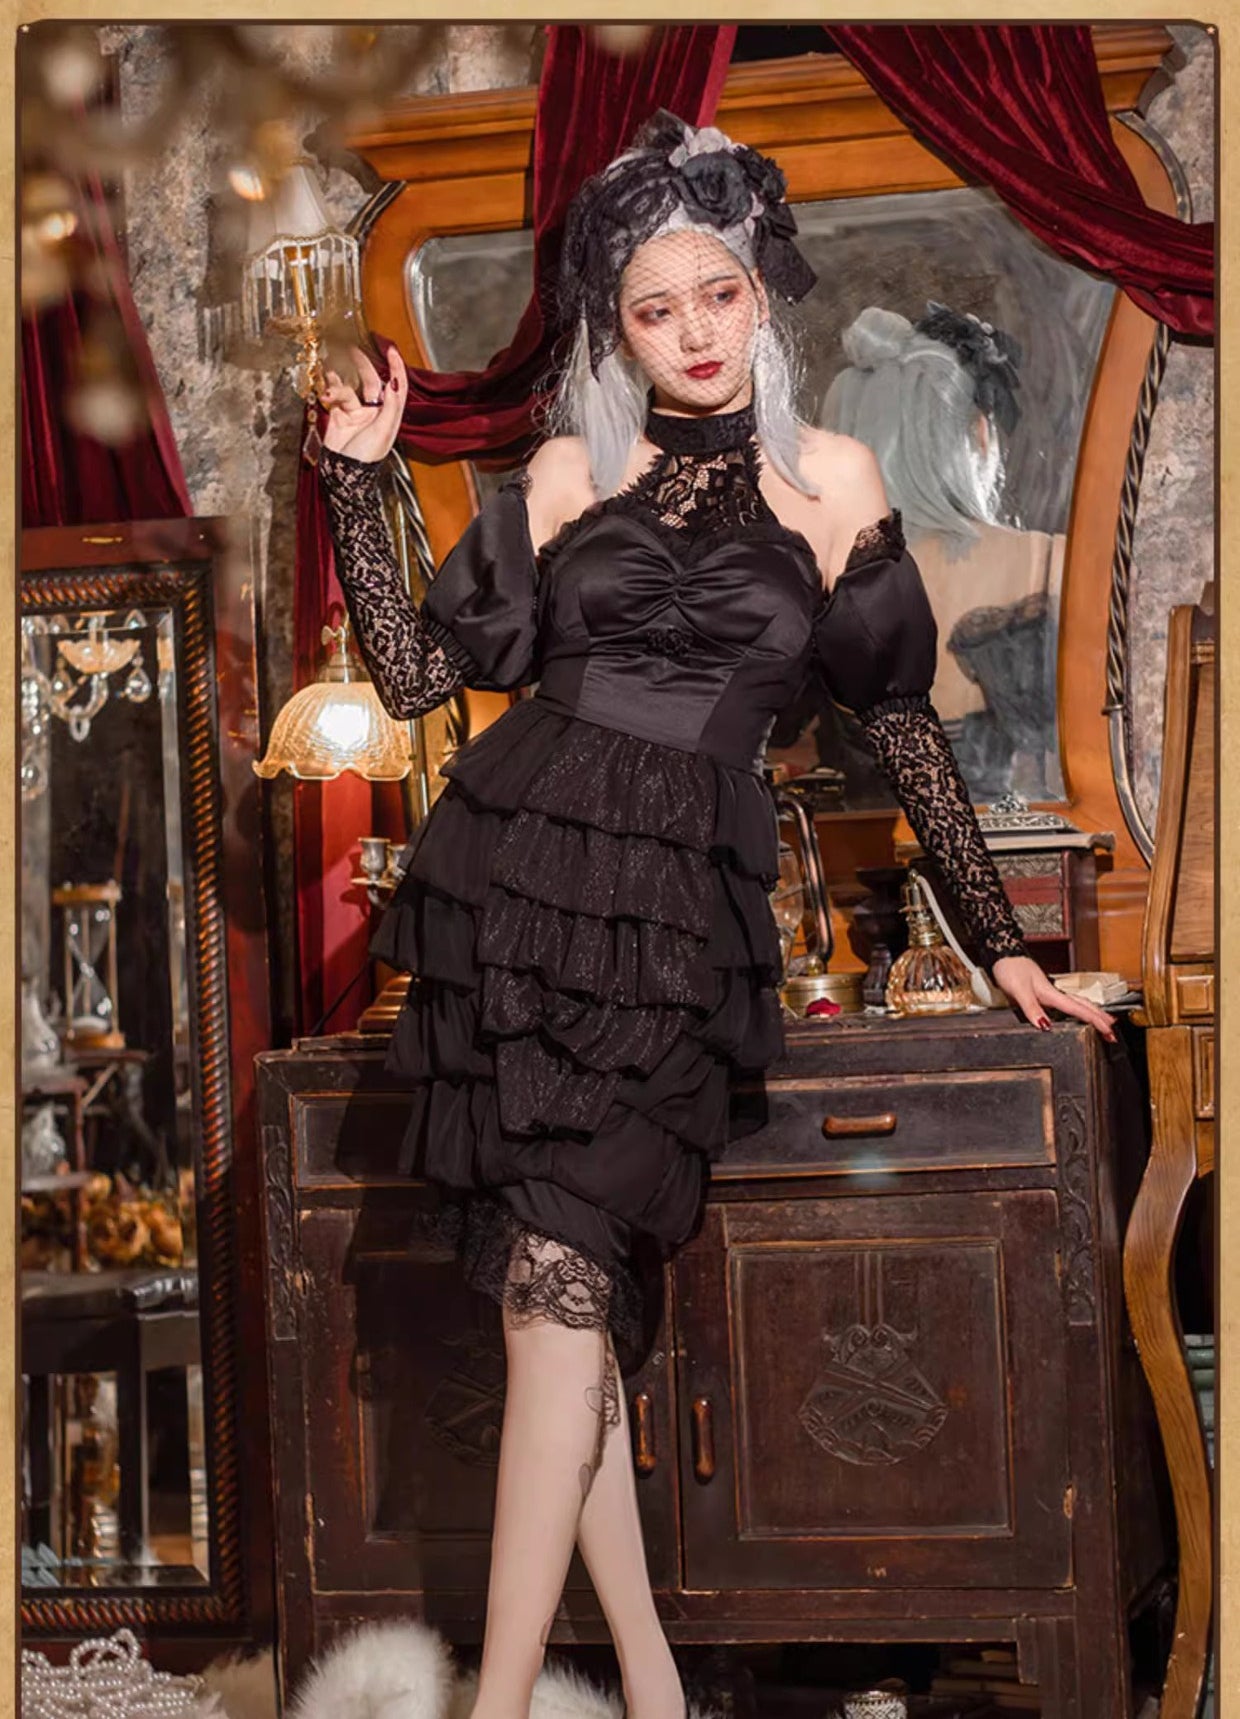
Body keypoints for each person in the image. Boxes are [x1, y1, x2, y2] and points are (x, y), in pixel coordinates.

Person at [313, 110, 1116, 1719]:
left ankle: (511, 1703)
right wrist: (355, 484)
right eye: (653, 308)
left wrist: (1002, 944)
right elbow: (411, 675)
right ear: (614, 327)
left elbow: (904, 728)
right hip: (518, 889)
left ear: (763, 295)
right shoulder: (568, 470)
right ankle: (639, 1689)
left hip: (677, 921)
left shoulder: (835, 482)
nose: (692, 333)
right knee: (556, 1306)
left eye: (719, 296)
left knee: (566, 1296)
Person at [821, 304, 1067, 799]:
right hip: (1033, 843)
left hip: (861, 843)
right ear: (979, 433)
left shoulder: (821, 586)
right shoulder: (1049, 562)